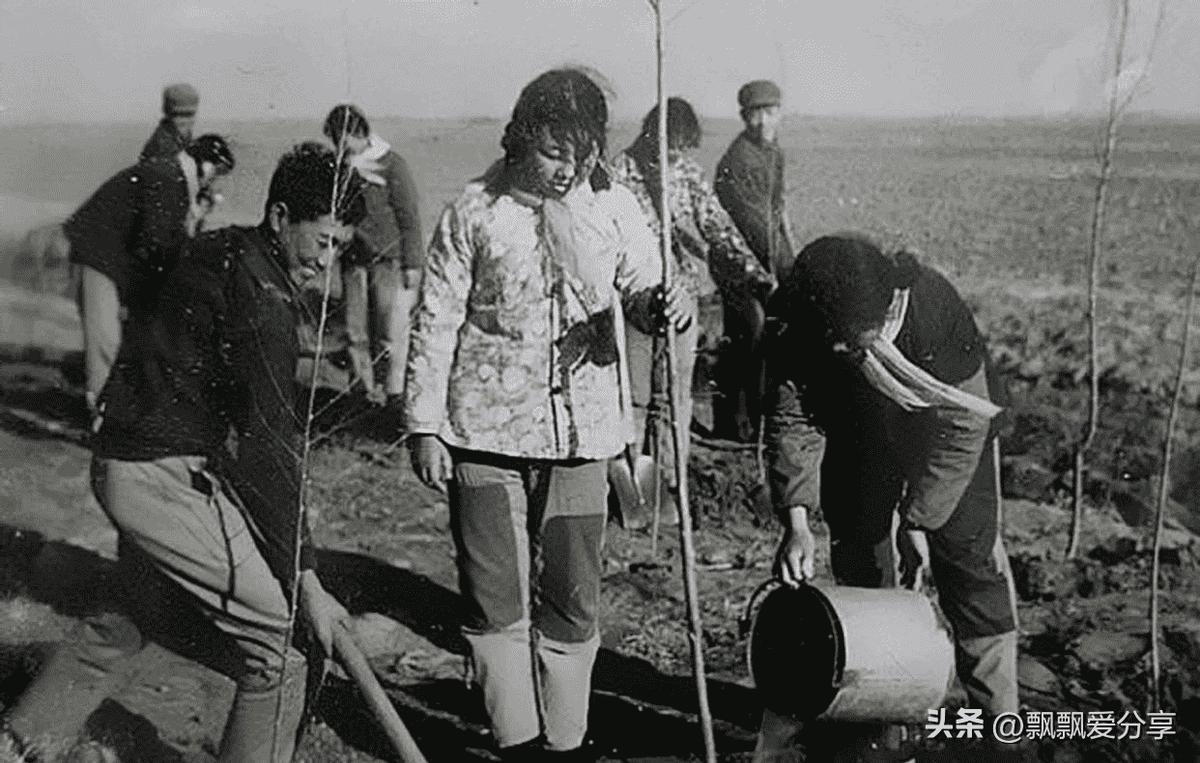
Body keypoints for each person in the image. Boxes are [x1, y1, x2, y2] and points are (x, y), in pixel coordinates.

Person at [2, 143, 363, 762]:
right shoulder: (267, 308)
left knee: (126, 619)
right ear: (280, 216)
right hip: (158, 477)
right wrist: (307, 579)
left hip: (120, 457)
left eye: (340, 248)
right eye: (322, 241)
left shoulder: (216, 247)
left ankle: (18, 743)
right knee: (283, 648)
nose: (326, 264)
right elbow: (270, 450)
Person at [404, 69, 693, 761]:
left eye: (583, 151)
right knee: (495, 601)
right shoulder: (474, 213)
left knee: (572, 597)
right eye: (553, 151)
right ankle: (519, 743)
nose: (568, 169)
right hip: (483, 437)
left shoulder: (615, 208)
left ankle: (566, 740)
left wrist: (664, 302)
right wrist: (423, 424)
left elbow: (646, 282)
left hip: (584, 438)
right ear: (520, 138)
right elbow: (434, 320)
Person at [760, 234, 1019, 756]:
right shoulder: (796, 316)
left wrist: (920, 522)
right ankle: (883, 719)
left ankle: (1001, 728)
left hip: (951, 437)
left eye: (850, 339)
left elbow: (963, 422)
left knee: (969, 564)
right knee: (865, 568)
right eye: (830, 339)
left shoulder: (932, 309)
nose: (836, 349)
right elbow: (792, 417)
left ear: (884, 311)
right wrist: (797, 522)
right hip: (861, 432)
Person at [608, 96, 775, 528]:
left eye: (683, 148)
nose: (675, 155)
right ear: (652, 136)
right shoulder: (618, 173)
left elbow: (718, 226)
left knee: (676, 400)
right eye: (670, 145)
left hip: (682, 301)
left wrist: (756, 275)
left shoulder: (685, 173)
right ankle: (636, 500)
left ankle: (671, 489)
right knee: (636, 401)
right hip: (633, 303)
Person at [65, 133, 235, 414]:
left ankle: (107, 413)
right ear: (205, 163)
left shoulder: (173, 175)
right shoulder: (170, 180)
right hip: (97, 256)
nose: (212, 182)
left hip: (107, 256)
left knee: (113, 341)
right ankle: (103, 420)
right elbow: (158, 244)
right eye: (215, 173)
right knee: (106, 344)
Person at [713, 79, 796, 443]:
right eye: (756, 114)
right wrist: (783, 269)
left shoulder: (774, 152)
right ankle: (735, 425)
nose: (764, 121)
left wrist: (792, 255)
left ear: (780, 113)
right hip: (736, 261)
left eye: (770, 112)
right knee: (750, 333)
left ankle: (758, 419)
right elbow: (752, 224)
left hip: (766, 258)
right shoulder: (740, 159)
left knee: (766, 335)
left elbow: (778, 211)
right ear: (745, 117)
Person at [323, 104, 423, 404]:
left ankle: (392, 393)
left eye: (343, 141)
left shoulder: (392, 164)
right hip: (353, 261)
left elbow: (409, 217)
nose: (339, 149)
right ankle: (361, 394)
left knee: (390, 333)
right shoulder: (341, 168)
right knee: (355, 332)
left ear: (359, 133)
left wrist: (413, 263)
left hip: (388, 262)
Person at [140, 83, 200, 162]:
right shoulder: (160, 147)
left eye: (189, 115)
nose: (183, 121)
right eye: (177, 115)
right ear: (167, 113)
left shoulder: (184, 140)